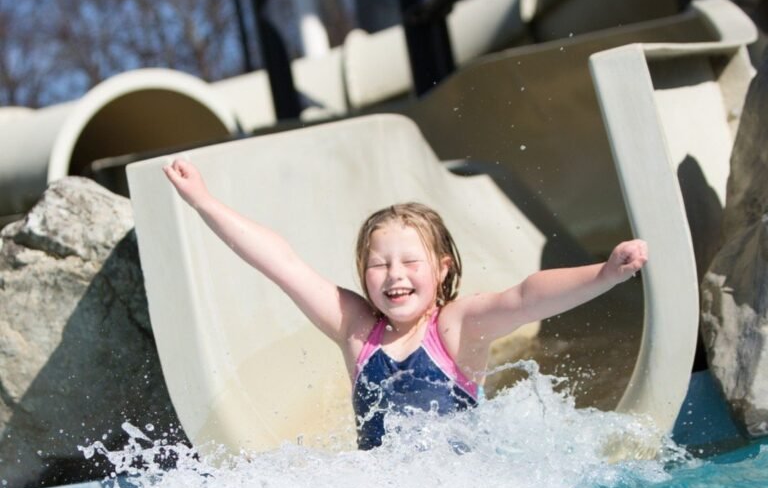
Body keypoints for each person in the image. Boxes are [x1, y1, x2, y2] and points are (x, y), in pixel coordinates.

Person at [162, 159, 648, 450]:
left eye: (409, 262)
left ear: (442, 270)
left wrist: (604, 274)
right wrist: (203, 201)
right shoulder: (355, 330)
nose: (394, 275)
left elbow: (524, 297)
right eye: (379, 265)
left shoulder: (455, 328)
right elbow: (282, 263)